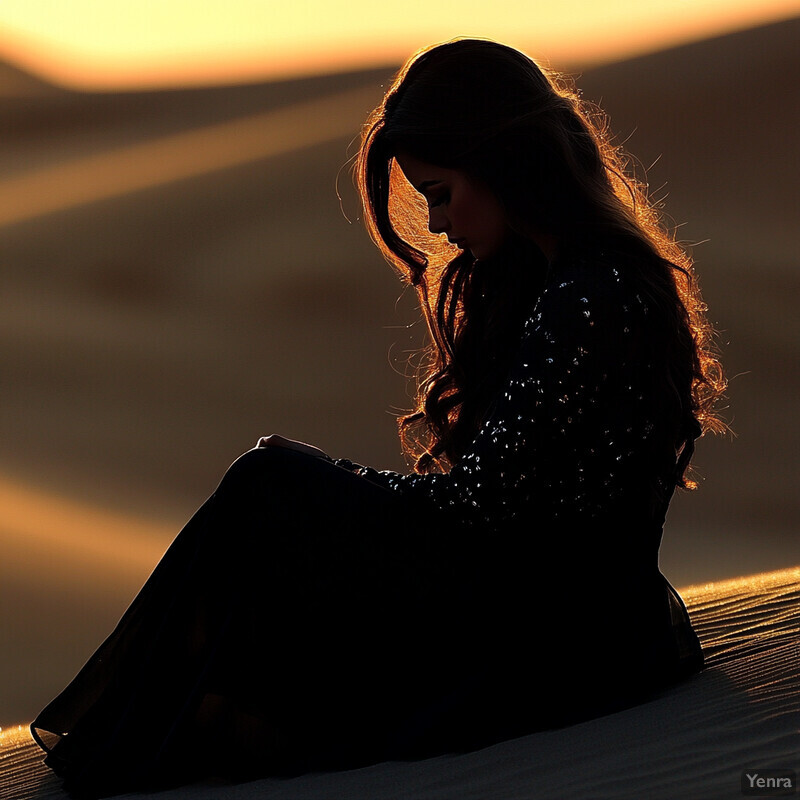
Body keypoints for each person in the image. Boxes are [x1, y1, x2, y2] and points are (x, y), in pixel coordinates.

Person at [31, 38, 726, 798]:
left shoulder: (590, 298)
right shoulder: (577, 280)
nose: (435, 222)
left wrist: (318, 485)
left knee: (269, 483)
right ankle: (141, 729)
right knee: (277, 490)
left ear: (503, 159)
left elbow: (478, 513)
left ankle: (130, 733)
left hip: (552, 644)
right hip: (577, 628)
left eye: (439, 190)